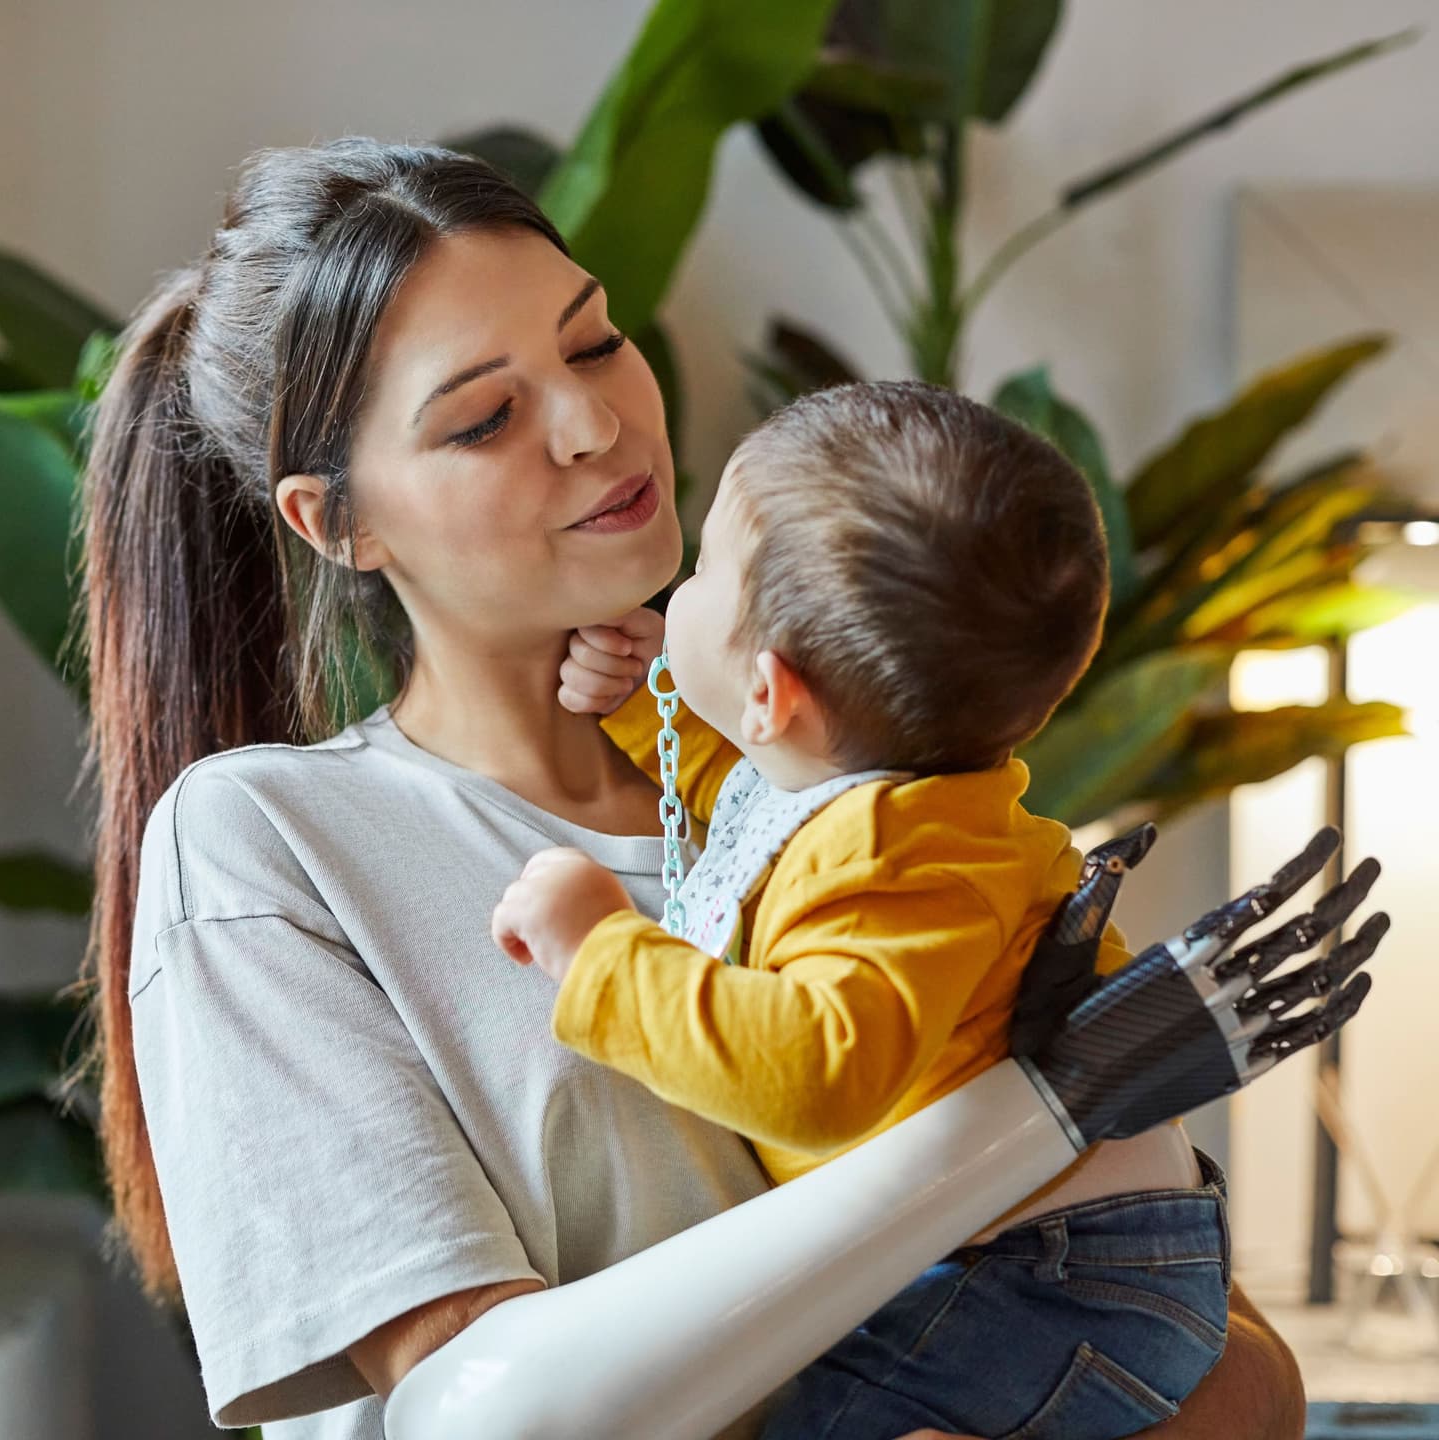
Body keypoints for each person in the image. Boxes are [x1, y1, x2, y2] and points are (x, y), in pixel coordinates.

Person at [80, 137, 1311, 1440]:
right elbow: (486, 1418)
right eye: (487, 416)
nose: (595, 424)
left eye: (596, 343)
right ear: (339, 522)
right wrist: (1035, 1111)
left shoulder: (828, 773)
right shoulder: (275, 843)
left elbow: (1233, 1377)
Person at [491, 382, 1226, 1439]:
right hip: (1051, 1255)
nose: (680, 590)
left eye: (703, 572)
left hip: (1044, 1280)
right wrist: (652, 717)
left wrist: (603, 951)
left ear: (771, 692)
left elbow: (819, 1070)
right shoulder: (898, 800)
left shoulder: (899, 857)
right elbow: (770, 817)